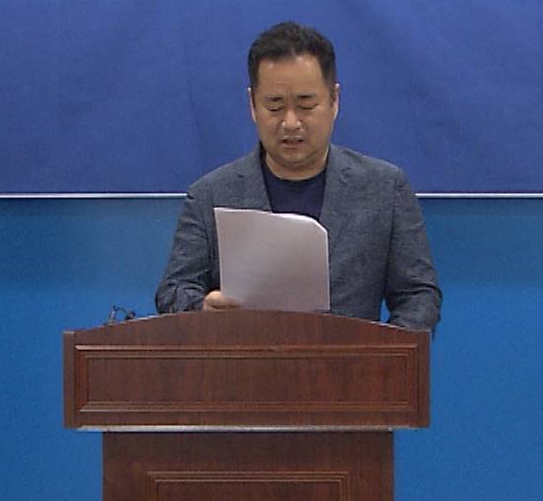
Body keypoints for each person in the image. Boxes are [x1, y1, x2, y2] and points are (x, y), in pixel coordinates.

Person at [155, 21, 440, 331]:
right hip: (243, 360)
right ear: (252, 105)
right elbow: (173, 291)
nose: (290, 123)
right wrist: (202, 309)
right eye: (274, 106)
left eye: (306, 105)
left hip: (353, 361)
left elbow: (418, 295)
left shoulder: (384, 188)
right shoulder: (210, 195)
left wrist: (387, 352)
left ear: (334, 101)